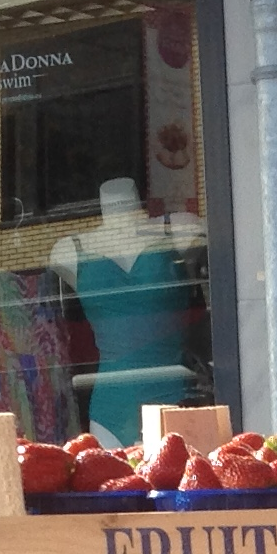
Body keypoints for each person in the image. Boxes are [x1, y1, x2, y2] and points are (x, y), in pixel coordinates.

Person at [49, 178, 202, 445]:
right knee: (117, 485)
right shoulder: (67, 250)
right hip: (111, 407)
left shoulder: (179, 228)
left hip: (174, 394)